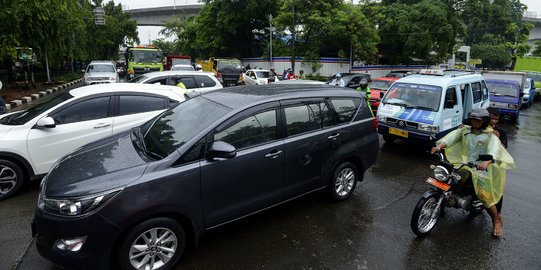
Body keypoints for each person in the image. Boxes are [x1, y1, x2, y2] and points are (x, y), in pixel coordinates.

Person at [430, 108, 515, 237]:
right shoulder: (464, 131)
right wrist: (439, 146)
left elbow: (494, 150)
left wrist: (487, 162)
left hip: (482, 169)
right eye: (473, 119)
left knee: (485, 197)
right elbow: (452, 137)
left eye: (478, 120)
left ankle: (496, 220)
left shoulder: (490, 135)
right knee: (446, 177)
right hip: (463, 163)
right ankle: (438, 200)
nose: (475, 122)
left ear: (484, 121)